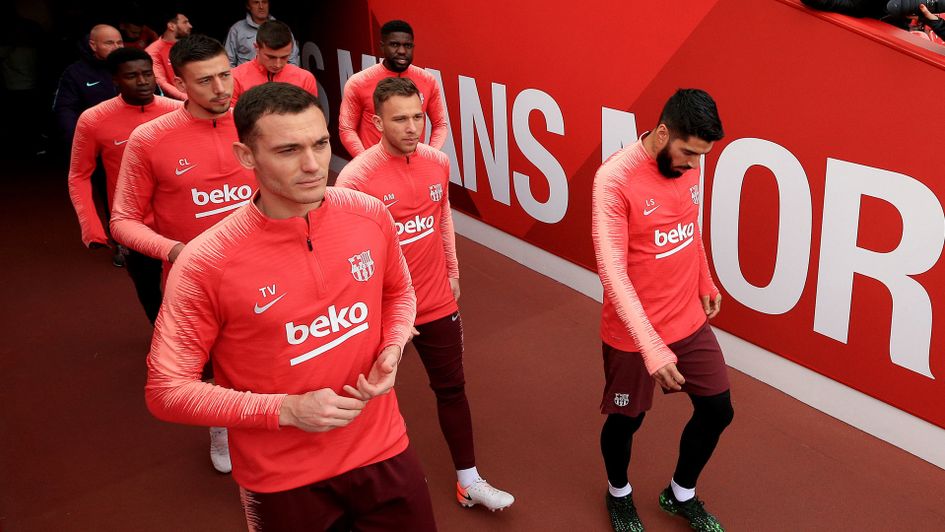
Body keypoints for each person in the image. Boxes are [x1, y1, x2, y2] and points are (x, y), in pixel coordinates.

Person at [146, 81, 437, 531]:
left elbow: (399, 293)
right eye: (287, 150)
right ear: (247, 157)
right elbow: (166, 390)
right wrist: (285, 411)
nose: (312, 165)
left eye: (320, 144)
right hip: (282, 479)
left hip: (383, 449)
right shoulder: (206, 262)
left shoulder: (368, 213)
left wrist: (394, 345)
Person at [335, 77, 514, 512]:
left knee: (452, 389)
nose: (413, 127)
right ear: (376, 122)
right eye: (400, 119)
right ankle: (348, 484)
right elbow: (347, 255)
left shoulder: (437, 161)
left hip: (437, 302)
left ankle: (468, 482)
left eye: (418, 116)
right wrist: (373, 310)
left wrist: (451, 269)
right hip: (384, 313)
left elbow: (441, 216)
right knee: (367, 396)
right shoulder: (355, 178)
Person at [111, 34, 255, 474]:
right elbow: (123, 220)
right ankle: (222, 428)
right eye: (205, 80)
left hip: (263, 268)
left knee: (274, 352)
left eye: (225, 75)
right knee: (211, 367)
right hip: (196, 280)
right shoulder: (150, 138)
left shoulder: (254, 122)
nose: (220, 89)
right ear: (177, 82)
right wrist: (177, 250)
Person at [592, 89, 732, 532]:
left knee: (718, 410)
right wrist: (651, 347)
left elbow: (690, 228)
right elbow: (612, 274)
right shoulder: (613, 179)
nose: (694, 164)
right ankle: (618, 494)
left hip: (687, 320)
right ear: (663, 132)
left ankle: (679, 493)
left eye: (702, 156)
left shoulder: (687, 165)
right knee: (627, 421)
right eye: (689, 152)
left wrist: (705, 280)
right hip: (633, 335)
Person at [67, 47, 180, 324]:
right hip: (134, 225)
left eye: (147, 74)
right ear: (115, 80)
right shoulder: (94, 119)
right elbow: (79, 175)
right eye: (132, 76)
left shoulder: (178, 111)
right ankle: (162, 333)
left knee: (189, 286)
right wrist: (92, 228)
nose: (142, 81)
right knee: (148, 288)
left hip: (180, 219)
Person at [338, 20, 448, 158]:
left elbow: (440, 125)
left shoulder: (428, 80)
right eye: (395, 45)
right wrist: (366, 161)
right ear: (382, 47)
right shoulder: (358, 82)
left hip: (413, 168)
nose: (402, 51)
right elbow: (347, 129)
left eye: (407, 46)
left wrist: (429, 155)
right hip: (375, 171)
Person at [53, 24, 123, 151]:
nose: (116, 48)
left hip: (130, 139)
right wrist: (79, 143)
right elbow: (65, 110)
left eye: (119, 43)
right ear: (93, 45)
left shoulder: (131, 66)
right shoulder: (76, 73)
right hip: (94, 144)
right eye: (109, 43)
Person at [230, 20, 317, 105]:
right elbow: (228, 118)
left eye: (284, 57)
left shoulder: (305, 79)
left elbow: (313, 117)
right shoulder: (235, 78)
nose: (278, 64)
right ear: (256, 47)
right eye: (271, 57)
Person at [225, 0, 299, 67]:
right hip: (247, 80)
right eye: (256, 2)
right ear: (248, 6)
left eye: (264, 2)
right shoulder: (237, 29)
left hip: (278, 80)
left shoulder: (282, 28)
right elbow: (228, 62)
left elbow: (293, 60)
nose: (261, 6)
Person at [145, 11, 192, 100]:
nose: (190, 26)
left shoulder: (190, 45)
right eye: (185, 22)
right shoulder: (153, 51)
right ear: (171, 26)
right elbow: (161, 83)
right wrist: (187, 99)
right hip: (176, 103)